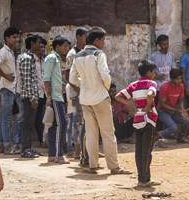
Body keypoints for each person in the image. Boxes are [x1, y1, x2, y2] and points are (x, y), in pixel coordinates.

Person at [69, 27, 130, 175]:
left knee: (91, 133)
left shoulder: (77, 56)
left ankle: (92, 165)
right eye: (103, 40)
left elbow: (71, 79)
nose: (104, 43)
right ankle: (114, 167)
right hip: (100, 97)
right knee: (108, 133)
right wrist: (105, 86)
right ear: (96, 40)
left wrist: (84, 83)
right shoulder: (99, 54)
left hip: (85, 98)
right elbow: (105, 75)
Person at [116, 60, 160, 188]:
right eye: (153, 71)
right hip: (148, 119)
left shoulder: (133, 85)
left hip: (137, 119)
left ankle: (144, 178)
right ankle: (143, 179)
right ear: (149, 72)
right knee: (147, 150)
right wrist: (148, 105)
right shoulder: (151, 83)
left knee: (139, 149)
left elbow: (119, 96)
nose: (154, 74)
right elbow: (151, 93)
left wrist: (131, 104)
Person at [0, 27, 20, 155]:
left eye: (16, 37)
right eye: (13, 37)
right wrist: (6, 76)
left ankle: (2, 145)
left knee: (5, 117)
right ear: (7, 38)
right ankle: (7, 145)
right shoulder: (4, 51)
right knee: (6, 118)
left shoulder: (10, 52)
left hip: (10, 89)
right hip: (6, 88)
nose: (16, 40)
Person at [43, 35, 71, 164]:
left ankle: (52, 154)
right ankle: (59, 154)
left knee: (54, 126)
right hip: (55, 97)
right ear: (57, 46)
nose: (67, 48)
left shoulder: (58, 59)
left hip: (58, 96)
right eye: (65, 46)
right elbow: (47, 79)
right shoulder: (52, 58)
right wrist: (48, 97)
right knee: (62, 124)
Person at [18, 35, 42, 159]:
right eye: (38, 43)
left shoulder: (30, 58)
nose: (40, 45)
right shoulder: (27, 58)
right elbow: (27, 80)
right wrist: (32, 98)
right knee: (27, 123)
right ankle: (25, 149)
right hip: (29, 97)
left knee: (29, 122)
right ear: (32, 43)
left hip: (31, 96)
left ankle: (28, 148)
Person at [66, 27, 88, 162]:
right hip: (76, 92)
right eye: (85, 36)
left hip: (83, 91)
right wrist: (78, 89)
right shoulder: (72, 54)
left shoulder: (84, 52)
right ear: (79, 37)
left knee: (84, 121)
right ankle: (76, 151)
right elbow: (68, 76)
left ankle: (85, 150)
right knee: (76, 122)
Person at [157, 69, 189, 144]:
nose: (180, 80)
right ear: (172, 79)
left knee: (187, 121)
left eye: (181, 78)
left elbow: (181, 100)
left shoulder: (181, 86)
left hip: (174, 110)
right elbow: (163, 104)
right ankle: (156, 138)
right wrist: (177, 110)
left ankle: (180, 138)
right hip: (163, 111)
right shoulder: (164, 87)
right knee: (173, 127)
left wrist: (182, 109)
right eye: (177, 79)